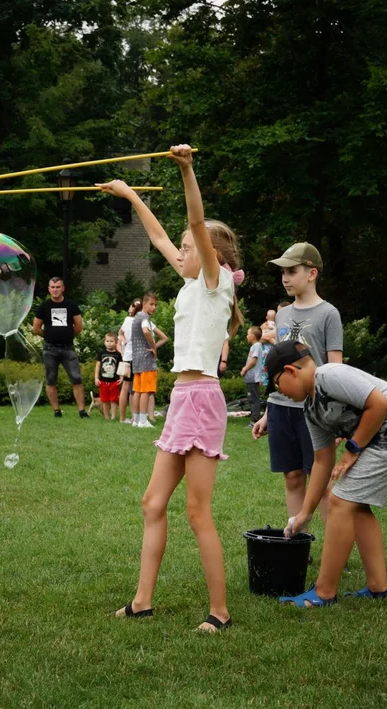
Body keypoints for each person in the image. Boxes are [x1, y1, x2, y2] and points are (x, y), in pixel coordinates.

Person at [99, 143, 244, 632]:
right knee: (153, 503)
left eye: (187, 248)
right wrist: (128, 194)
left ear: (210, 256)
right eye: (181, 248)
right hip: (182, 398)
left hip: (202, 399)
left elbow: (195, 225)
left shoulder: (213, 279)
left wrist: (187, 170)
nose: (178, 252)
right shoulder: (188, 284)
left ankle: (220, 612)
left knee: (197, 513)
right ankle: (143, 601)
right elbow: (160, 233)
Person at [269, 341, 387, 607]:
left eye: (276, 384)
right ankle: (379, 587)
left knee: (340, 502)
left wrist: (353, 448)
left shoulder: (330, 375)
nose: (280, 393)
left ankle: (323, 593)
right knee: (356, 505)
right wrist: (304, 513)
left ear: (290, 370)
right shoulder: (311, 408)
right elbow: (322, 460)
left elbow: (379, 404)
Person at [252, 245, 344, 524]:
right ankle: (298, 544)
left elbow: (335, 370)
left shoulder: (329, 314)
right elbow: (279, 370)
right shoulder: (281, 315)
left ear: (312, 273)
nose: (285, 278)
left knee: (322, 481)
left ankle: (333, 552)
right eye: (282, 273)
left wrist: (336, 418)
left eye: (292, 271)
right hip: (281, 409)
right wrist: (269, 411)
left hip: (314, 411)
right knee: (292, 477)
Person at [32, 277, 87, 418]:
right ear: (49, 289)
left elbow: (78, 327)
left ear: (63, 288)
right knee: (51, 379)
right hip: (50, 349)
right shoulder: (44, 307)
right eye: (53, 287)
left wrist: (67, 336)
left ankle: (82, 411)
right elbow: (36, 328)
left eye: (58, 287)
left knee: (76, 378)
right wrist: (49, 336)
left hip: (68, 348)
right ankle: (56, 411)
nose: (55, 289)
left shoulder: (71, 305)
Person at [128, 293, 168, 428]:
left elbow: (164, 337)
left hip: (137, 358)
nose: (154, 307)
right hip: (146, 359)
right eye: (151, 304)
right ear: (144, 304)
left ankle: (136, 419)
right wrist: (153, 347)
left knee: (137, 391)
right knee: (146, 390)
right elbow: (146, 331)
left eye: (156, 305)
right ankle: (143, 421)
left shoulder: (136, 318)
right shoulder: (145, 318)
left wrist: (153, 346)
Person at [118, 300, 142, 423]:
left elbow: (120, 332)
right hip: (136, 358)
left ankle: (124, 418)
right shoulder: (142, 321)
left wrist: (124, 341)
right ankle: (134, 417)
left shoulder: (127, 320)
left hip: (127, 357)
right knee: (135, 388)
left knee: (125, 388)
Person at [95, 332, 123, 421]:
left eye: (111, 341)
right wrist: (96, 378)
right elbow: (98, 366)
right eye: (107, 341)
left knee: (114, 400)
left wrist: (121, 377)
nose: (109, 343)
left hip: (114, 381)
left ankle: (113, 416)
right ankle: (106, 416)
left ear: (116, 342)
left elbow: (120, 367)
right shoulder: (102, 353)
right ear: (104, 342)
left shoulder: (118, 355)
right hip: (103, 381)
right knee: (105, 400)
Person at [240, 326, 266, 423]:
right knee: (251, 398)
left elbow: (253, 361)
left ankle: (255, 420)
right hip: (250, 378)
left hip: (253, 377)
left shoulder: (257, 346)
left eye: (248, 334)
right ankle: (254, 416)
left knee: (253, 399)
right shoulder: (255, 346)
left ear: (253, 336)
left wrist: (244, 369)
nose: (246, 336)